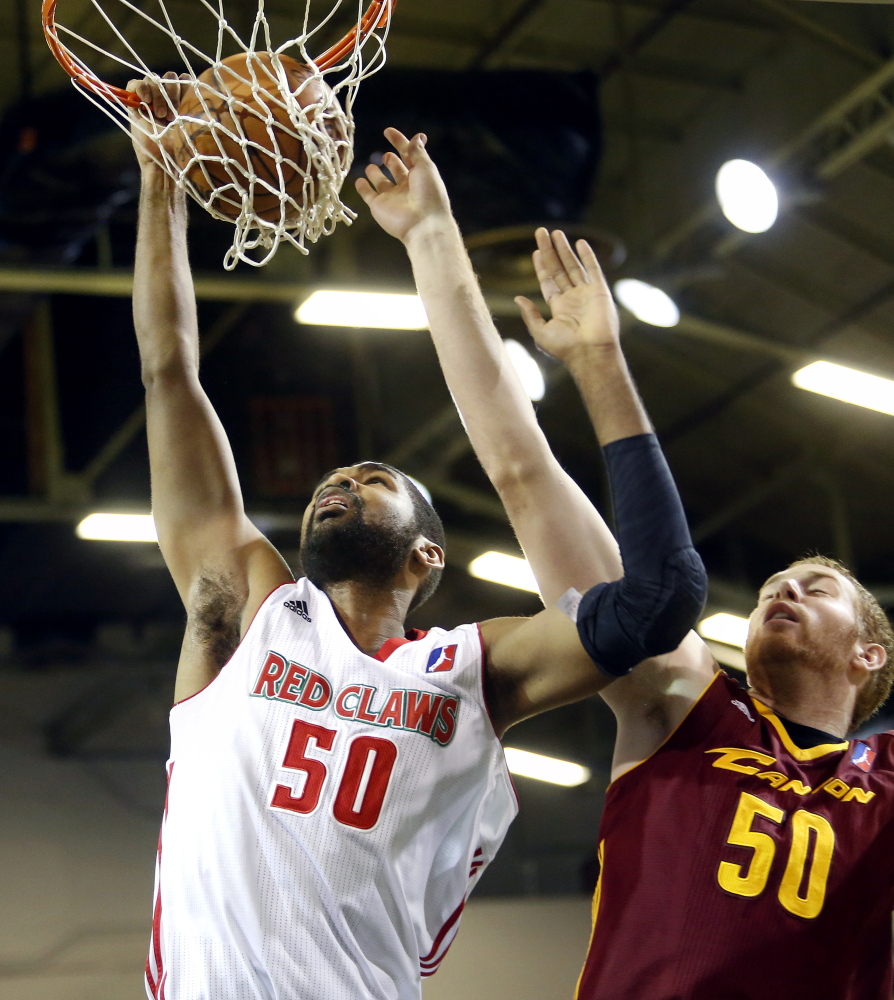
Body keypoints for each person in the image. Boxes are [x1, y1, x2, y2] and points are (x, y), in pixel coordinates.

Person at [127, 79, 706, 1000]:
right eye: (331, 484)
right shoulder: (247, 609)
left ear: (427, 554)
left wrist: (599, 366)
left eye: (371, 483)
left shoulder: (470, 669)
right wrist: (161, 185)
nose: (339, 486)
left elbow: (655, 603)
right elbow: (170, 372)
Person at [358, 130, 894, 1000]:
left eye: (816, 587)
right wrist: (429, 236)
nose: (781, 590)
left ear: (871, 653)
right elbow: (522, 472)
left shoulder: (883, 785)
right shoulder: (681, 701)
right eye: (769, 588)